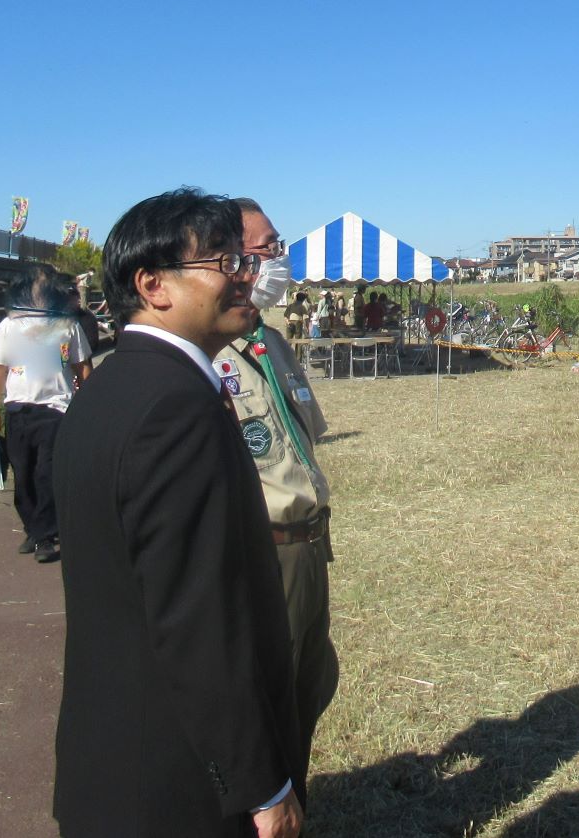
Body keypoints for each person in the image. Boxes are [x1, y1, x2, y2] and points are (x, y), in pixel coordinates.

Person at [52, 189, 303, 837]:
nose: (247, 277)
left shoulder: (112, 386)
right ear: (153, 284)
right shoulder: (174, 407)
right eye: (225, 263)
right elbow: (198, 616)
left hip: (116, 759)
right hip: (176, 785)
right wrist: (261, 783)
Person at [219, 198, 338, 774]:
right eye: (267, 247)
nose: (278, 259)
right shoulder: (205, 354)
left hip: (311, 544)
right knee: (265, 702)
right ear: (231, 260)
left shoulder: (270, 342)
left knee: (308, 691)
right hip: (265, 551)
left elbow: (302, 438)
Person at [0, 265, 92, 562]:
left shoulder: (67, 326)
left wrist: (89, 403)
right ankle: (33, 527)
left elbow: (82, 366)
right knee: (24, 472)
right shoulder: (9, 327)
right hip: (18, 408)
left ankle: (45, 536)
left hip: (57, 408)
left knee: (47, 471)